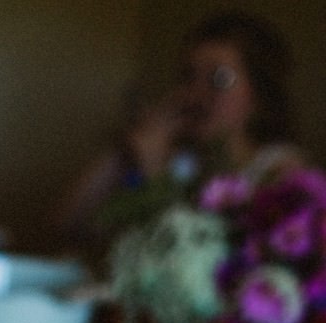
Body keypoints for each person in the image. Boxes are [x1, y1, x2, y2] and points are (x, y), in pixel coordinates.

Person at [56, 10, 305, 251]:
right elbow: (67, 226)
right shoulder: (182, 160)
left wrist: (152, 171)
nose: (195, 93)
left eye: (219, 79)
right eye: (188, 76)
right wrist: (127, 150)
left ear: (258, 94)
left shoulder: (279, 171)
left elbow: (204, 262)